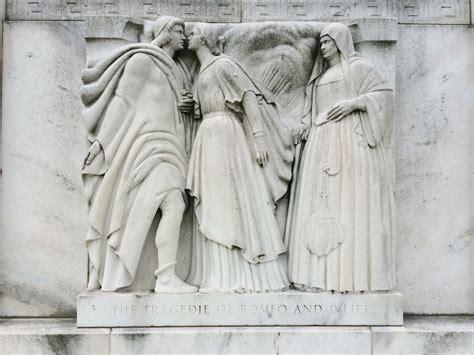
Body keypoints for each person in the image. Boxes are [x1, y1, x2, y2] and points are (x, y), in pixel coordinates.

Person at [81, 16, 197, 293]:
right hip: (148, 147)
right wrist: (101, 143)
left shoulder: (174, 68)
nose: (184, 35)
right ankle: (165, 276)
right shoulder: (142, 61)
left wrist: (186, 107)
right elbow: (123, 103)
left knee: (165, 207)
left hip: (170, 146)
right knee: (172, 205)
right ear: (166, 32)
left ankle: (158, 274)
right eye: (179, 30)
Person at [286, 23, 396, 292]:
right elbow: (314, 111)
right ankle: (317, 277)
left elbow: (384, 96)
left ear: (340, 41)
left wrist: (354, 103)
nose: (323, 47)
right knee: (319, 204)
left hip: (350, 142)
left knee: (348, 203)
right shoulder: (321, 77)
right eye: (322, 42)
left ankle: (350, 277)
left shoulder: (359, 68)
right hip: (321, 143)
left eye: (327, 41)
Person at [185, 24, 294, 293]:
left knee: (229, 201)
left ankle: (239, 277)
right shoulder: (201, 73)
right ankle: (218, 276)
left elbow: (248, 97)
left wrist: (258, 138)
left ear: (205, 39)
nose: (188, 36)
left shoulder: (223, 65)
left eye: (194, 32)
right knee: (214, 202)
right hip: (208, 135)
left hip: (226, 135)